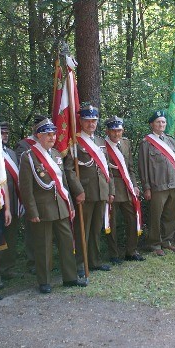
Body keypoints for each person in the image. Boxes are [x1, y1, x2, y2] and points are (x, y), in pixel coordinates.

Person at [19, 118, 86, 294]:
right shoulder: (29, 157)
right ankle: (44, 281)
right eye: (48, 134)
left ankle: (70, 277)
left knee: (66, 243)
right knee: (43, 246)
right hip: (42, 209)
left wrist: (69, 204)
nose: (52, 137)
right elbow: (26, 189)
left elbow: (63, 182)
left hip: (61, 206)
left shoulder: (56, 154)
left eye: (53, 134)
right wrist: (32, 211)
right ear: (39, 135)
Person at [63, 104, 114, 274]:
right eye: (87, 121)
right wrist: (78, 191)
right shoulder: (75, 141)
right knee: (81, 230)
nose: (91, 124)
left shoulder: (100, 141)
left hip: (101, 191)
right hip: (85, 192)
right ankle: (79, 264)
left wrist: (110, 190)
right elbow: (69, 169)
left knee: (95, 229)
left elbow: (107, 168)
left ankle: (94, 260)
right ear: (81, 121)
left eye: (93, 121)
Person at [138, 110, 175, 256]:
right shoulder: (146, 143)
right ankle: (154, 244)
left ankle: (167, 241)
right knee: (156, 217)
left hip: (173, 184)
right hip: (157, 186)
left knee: (170, 215)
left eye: (163, 122)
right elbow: (143, 167)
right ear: (152, 124)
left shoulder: (170, 140)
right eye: (158, 122)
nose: (161, 124)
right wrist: (146, 187)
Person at [104, 116, 144, 262]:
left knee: (133, 219)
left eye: (119, 131)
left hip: (127, 188)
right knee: (111, 223)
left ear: (123, 130)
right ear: (107, 131)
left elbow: (130, 168)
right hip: (113, 189)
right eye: (113, 131)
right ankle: (113, 254)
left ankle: (131, 251)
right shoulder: (102, 145)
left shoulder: (126, 143)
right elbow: (105, 172)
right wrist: (110, 191)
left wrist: (134, 185)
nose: (116, 134)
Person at [0, 122, 23, 289]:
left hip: (14, 201)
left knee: (11, 237)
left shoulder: (11, 153)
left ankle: (7, 268)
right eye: (2, 133)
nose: (5, 135)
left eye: (7, 133)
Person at [14, 114, 46, 274]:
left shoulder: (49, 144)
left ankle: (46, 260)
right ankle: (32, 262)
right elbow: (24, 171)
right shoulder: (24, 145)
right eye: (39, 126)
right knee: (33, 230)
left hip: (50, 194)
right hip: (33, 194)